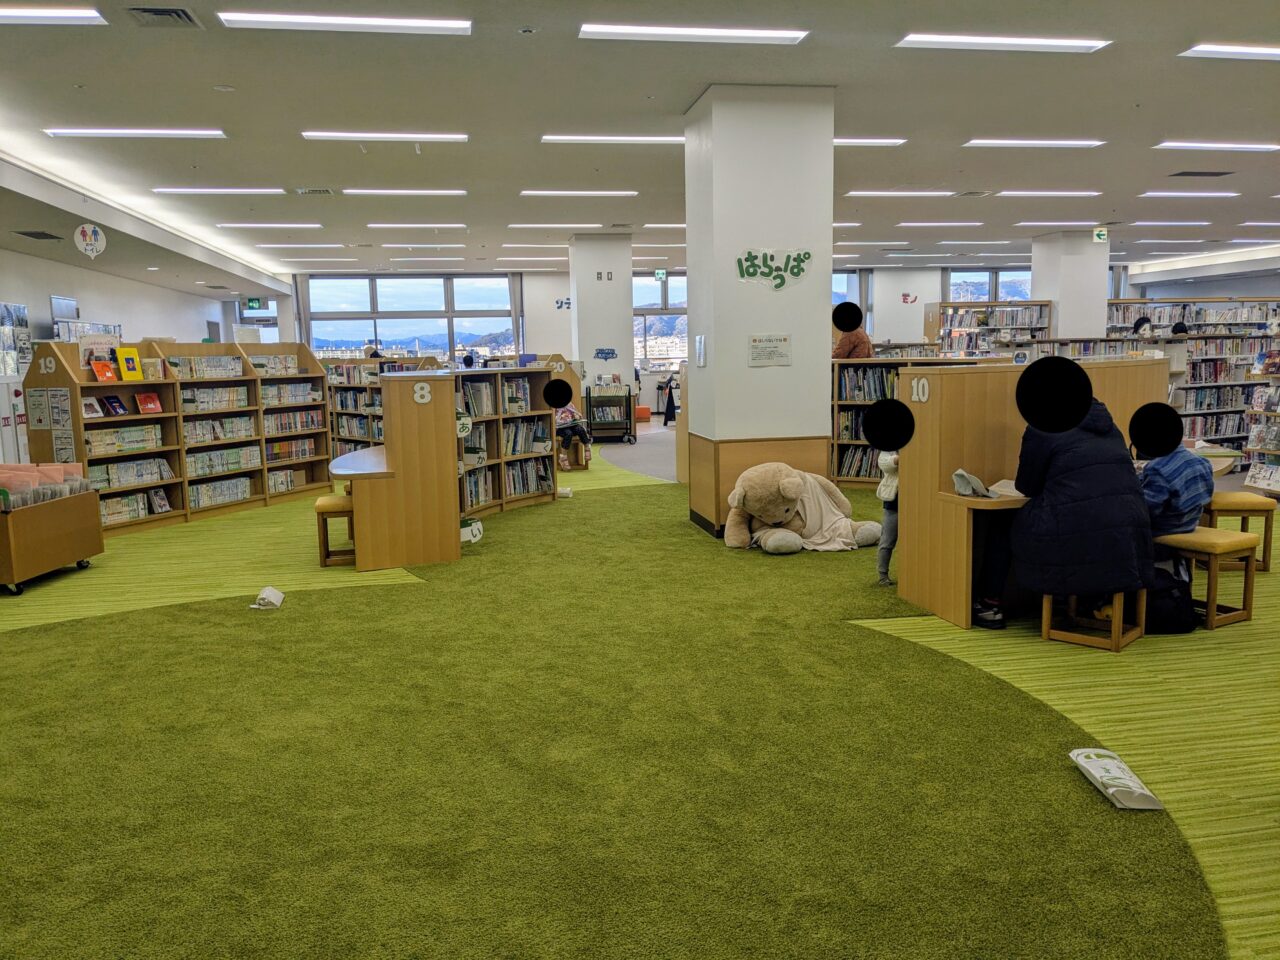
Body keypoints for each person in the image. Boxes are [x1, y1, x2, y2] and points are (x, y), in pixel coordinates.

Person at [973, 399, 1153, 629]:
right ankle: (1066, 600)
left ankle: (989, 604)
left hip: (1078, 531)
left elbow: (1026, 485)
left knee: (1005, 522)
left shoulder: (1042, 427)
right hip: (1128, 531)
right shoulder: (1109, 426)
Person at [1140, 443, 1214, 538]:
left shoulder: (1157, 468)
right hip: (1190, 523)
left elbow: (1147, 510)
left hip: (1165, 529)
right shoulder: (1202, 461)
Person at [875, 450, 899, 586]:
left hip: (917, 498)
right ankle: (883, 576)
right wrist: (899, 459)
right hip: (894, 500)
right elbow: (883, 463)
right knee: (888, 539)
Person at [555, 400, 592, 469]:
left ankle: (587, 447)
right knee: (568, 433)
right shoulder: (554, 407)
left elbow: (577, 414)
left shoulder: (569, 404)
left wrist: (577, 416)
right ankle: (563, 457)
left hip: (572, 425)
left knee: (580, 429)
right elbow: (553, 420)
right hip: (560, 428)